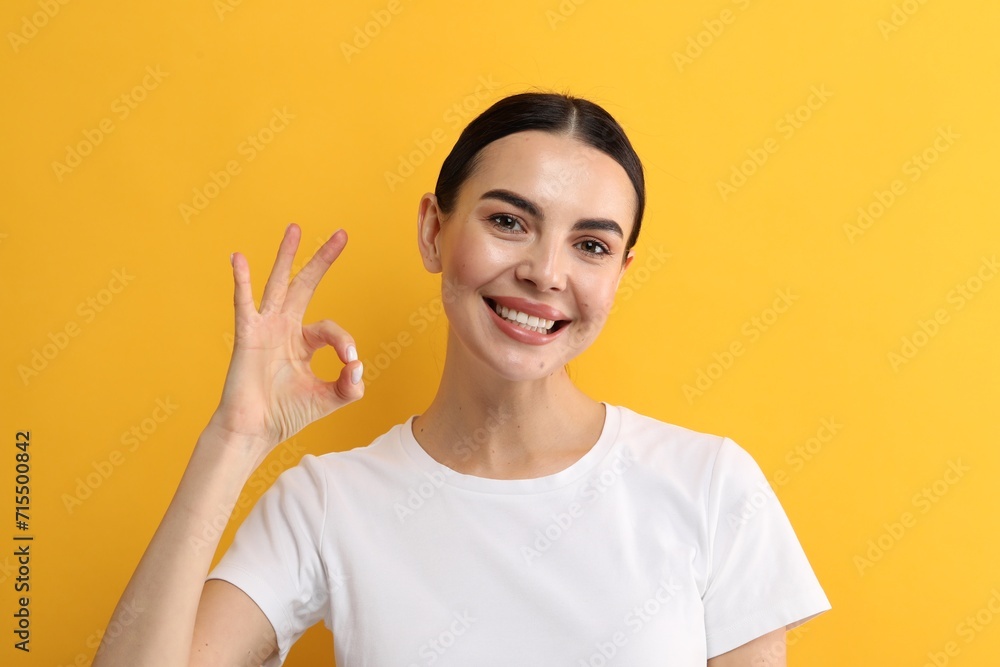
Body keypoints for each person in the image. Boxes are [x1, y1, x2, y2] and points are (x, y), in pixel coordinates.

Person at [95, 91, 830, 666]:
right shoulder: (327, 504)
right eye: (510, 222)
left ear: (620, 272)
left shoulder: (711, 485)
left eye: (591, 245)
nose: (546, 272)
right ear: (432, 230)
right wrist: (235, 437)